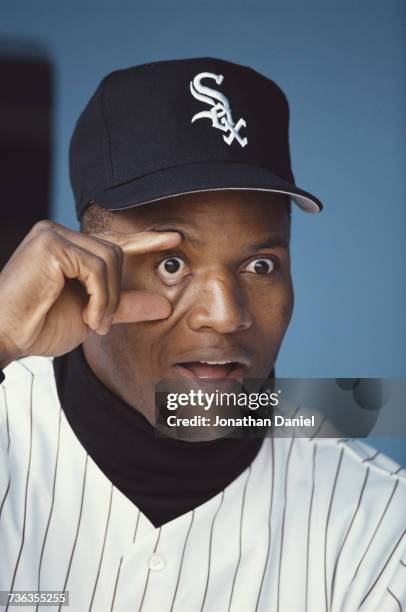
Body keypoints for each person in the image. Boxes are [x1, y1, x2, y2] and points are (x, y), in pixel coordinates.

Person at [0, 57, 404, 612]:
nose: (224, 315)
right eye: (170, 263)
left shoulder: (379, 524)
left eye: (260, 265)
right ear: (84, 265)